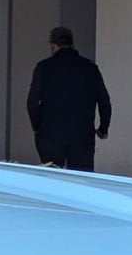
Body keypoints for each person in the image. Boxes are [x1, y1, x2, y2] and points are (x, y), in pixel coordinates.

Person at [27, 26, 111, 170]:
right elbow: (104, 102)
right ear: (72, 44)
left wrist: (37, 126)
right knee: (80, 182)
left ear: (53, 45)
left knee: (52, 179)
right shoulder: (90, 68)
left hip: (50, 135)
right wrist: (103, 128)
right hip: (82, 136)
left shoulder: (44, 67)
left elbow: (32, 102)